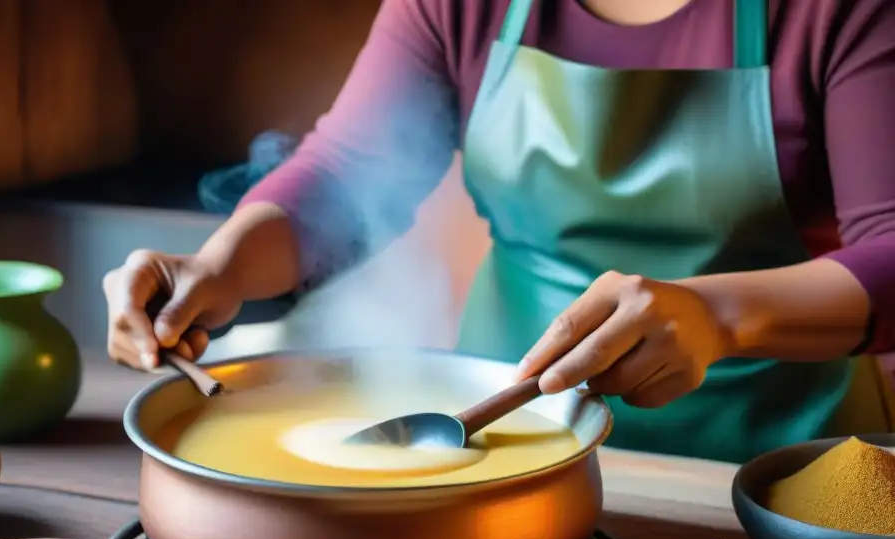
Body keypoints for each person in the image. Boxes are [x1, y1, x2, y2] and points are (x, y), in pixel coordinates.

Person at [103, 0, 895, 463]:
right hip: (501, 432)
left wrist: (716, 317)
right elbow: (347, 174)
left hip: (771, 464)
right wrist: (220, 267)